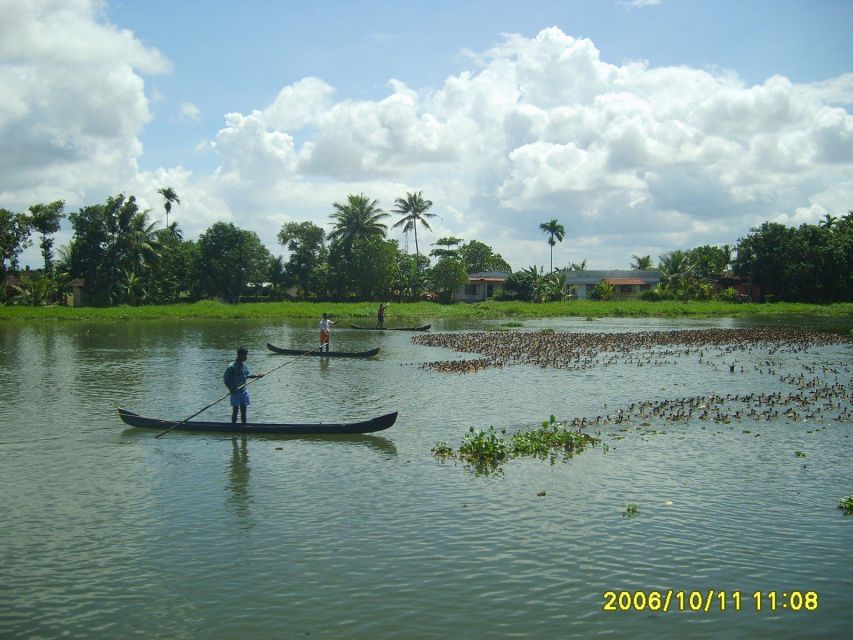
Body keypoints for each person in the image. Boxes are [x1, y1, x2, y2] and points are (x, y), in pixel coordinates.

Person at [223, 347, 263, 424]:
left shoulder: (244, 366)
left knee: (244, 411)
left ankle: (244, 427)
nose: (246, 357)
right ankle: (233, 427)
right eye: (245, 355)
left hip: (243, 391)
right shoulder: (232, 367)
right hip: (235, 392)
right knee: (235, 411)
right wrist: (231, 389)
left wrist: (258, 375)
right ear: (240, 355)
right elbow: (226, 379)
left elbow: (247, 375)